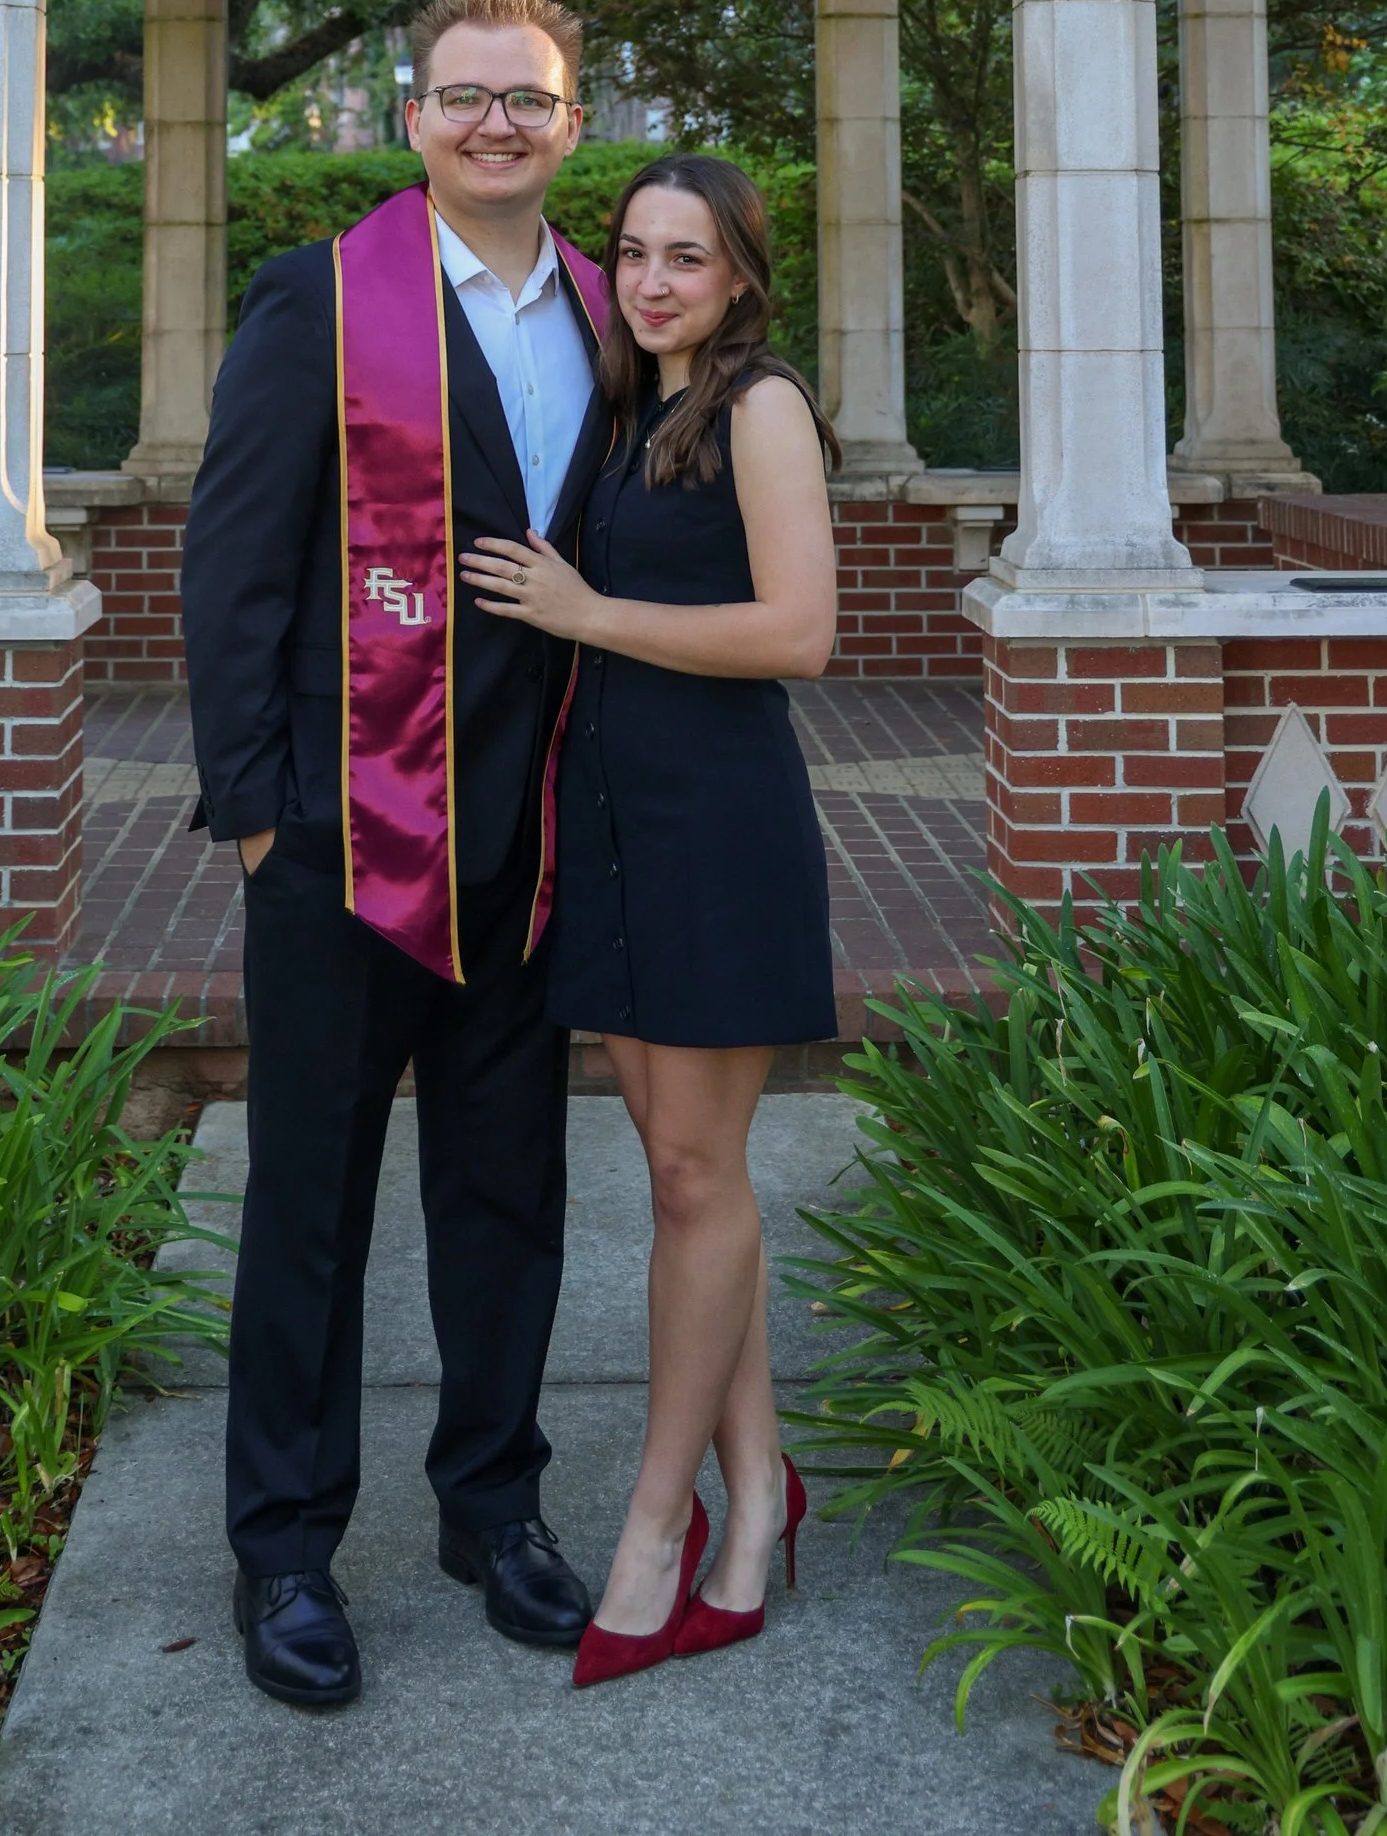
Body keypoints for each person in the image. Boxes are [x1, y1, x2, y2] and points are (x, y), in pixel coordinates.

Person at [180, 0, 615, 1711]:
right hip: (344, 837)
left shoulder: (609, 311)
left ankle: (492, 1510)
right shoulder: (320, 298)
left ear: (573, 122)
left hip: (534, 834)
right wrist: (258, 803)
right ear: (412, 116)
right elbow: (234, 562)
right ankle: (283, 1547)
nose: (497, 123)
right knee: (309, 1200)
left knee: (508, 1193)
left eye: (530, 99)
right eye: (465, 97)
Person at [462, 154, 838, 1686]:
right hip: (611, 837)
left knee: (696, 1184)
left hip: (718, 835)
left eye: (689, 256)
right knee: (694, 1182)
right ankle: (763, 1489)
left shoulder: (762, 408)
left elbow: (801, 634)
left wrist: (587, 614)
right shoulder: (628, 414)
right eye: (632, 251)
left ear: (744, 274)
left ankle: (656, 1523)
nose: (655, 278)